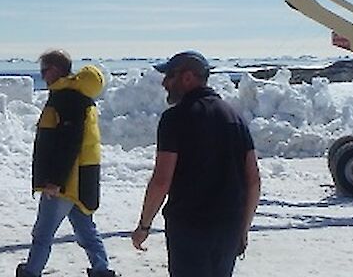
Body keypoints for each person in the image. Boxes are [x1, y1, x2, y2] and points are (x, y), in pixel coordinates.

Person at [131, 51, 261, 277]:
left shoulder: (175, 118)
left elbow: (161, 180)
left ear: (188, 77)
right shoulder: (234, 117)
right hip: (228, 226)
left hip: (189, 228)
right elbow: (253, 180)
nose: (164, 83)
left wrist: (144, 225)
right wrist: (243, 229)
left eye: (169, 76)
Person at [18, 50, 116, 277]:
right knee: (86, 230)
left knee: (43, 233)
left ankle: (31, 272)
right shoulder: (78, 98)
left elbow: (68, 144)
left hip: (65, 184)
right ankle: (102, 270)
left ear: (56, 70)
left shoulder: (66, 98)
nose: (42, 76)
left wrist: (55, 181)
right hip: (81, 181)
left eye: (44, 70)